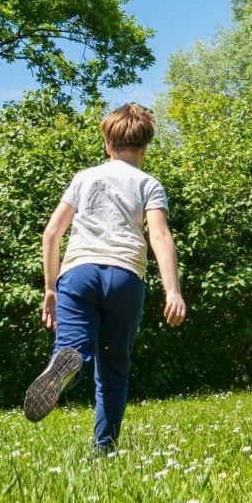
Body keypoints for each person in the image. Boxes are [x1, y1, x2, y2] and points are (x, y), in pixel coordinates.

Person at [23, 102, 187, 451]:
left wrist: (50, 287)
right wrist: (172, 290)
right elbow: (159, 236)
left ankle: (64, 366)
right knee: (114, 370)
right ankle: (104, 448)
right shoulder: (149, 184)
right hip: (125, 277)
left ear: (107, 145)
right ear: (145, 147)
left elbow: (52, 233)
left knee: (73, 349)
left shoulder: (84, 178)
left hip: (79, 273)